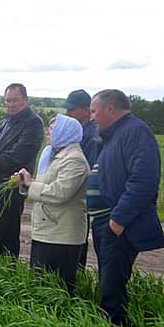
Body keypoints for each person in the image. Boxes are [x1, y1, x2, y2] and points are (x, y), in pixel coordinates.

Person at [89, 89, 164, 327]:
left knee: (112, 286)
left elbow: (144, 181)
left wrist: (117, 221)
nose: (91, 117)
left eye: (94, 111)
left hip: (117, 223)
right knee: (108, 281)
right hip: (106, 221)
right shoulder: (114, 134)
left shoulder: (135, 132)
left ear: (110, 109)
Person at [17, 114, 90, 295]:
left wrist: (30, 184)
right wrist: (25, 184)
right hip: (47, 230)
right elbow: (46, 187)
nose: (47, 133)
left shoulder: (75, 160)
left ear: (65, 133)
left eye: (52, 129)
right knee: (40, 285)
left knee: (57, 288)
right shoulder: (52, 155)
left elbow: (59, 193)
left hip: (62, 234)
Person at [0, 83, 44, 258]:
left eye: (15, 100)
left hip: (12, 185)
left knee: (7, 232)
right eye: (8, 101)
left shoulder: (33, 123)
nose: (11, 105)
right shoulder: (4, 122)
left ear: (26, 100)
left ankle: (8, 270)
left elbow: (19, 154)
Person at [62, 88, 100, 268]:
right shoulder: (81, 131)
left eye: (71, 109)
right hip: (72, 192)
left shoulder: (91, 135)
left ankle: (75, 276)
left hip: (79, 196)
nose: (67, 113)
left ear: (85, 110)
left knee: (76, 238)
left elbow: (89, 169)